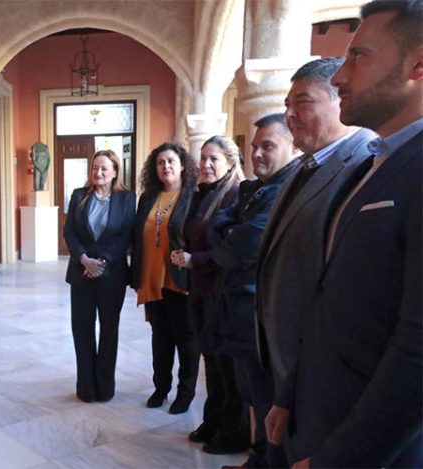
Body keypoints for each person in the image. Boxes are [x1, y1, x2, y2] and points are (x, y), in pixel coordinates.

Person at [287, 1, 422, 467]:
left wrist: (337, 460)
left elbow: (416, 354)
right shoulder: (372, 164)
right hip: (323, 413)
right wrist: (289, 396)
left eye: (359, 57)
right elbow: (327, 298)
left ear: (418, 65)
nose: (341, 77)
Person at [255, 57, 375, 463]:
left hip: (319, 368)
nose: (289, 114)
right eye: (287, 104)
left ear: (340, 99)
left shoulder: (363, 163)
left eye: (302, 102)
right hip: (285, 358)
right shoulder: (304, 167)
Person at [176, 113, 300, 467]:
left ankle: (241, 441)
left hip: (245, 300)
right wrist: (224, 236)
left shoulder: (252, 190)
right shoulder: (236, 191)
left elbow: (239, 246)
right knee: (221, 369)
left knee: (248, 386)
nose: (258, 153)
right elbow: (220, 229)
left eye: (268, 146)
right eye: (254, 146)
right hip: (215, 294)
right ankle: (230, 435)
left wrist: (210, 250)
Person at [172, 136, 249, 454]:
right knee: (211, 361)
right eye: (203, 158)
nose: (205, 164)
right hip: (201, 290)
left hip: (224, 293)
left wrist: (196, 259)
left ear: (230, 162)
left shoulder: (237, 195)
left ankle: (233, 432)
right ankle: (213, 421)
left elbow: (233, 249)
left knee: (227, 366)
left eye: (213, 159)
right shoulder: (203, 193)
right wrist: (185, 255)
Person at [130, 142, 198, 414]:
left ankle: (185, 393)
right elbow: (137, 236)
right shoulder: (148, 198)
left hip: (180, 280)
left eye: (171, 161)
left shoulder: (193, 196)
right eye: (160, 162)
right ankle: (161, 388)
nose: (166, 166)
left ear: (182, 166)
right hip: (152, 279)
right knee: (160, 338)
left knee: (186, 340)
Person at [63, 149, 135, 403]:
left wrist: (102, 262)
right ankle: (86, 387)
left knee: (109, 331)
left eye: (104, 168)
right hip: (81, 273)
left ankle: (104, 388)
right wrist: (84, 259)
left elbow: (125, 235)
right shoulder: (79, 195)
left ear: (115, 171)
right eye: (95, 168)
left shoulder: (126, 199)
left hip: (111, 274)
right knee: (82, 329)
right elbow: (69, 232)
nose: (99, 172)